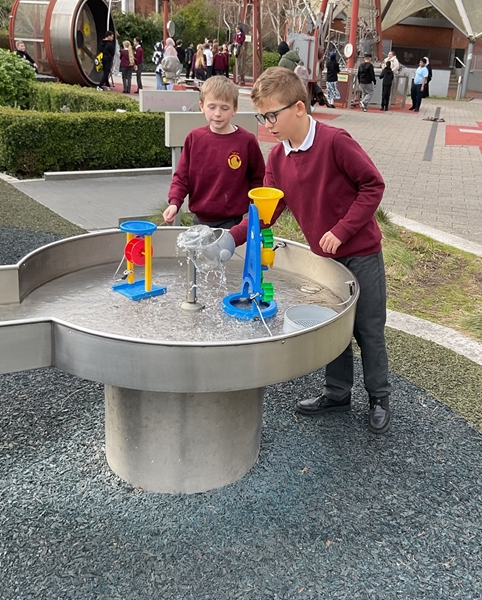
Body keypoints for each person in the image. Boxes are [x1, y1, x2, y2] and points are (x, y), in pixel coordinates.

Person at [225, 67, 391, 434]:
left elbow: (373, 185)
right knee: (334, 329)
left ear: (299, 108)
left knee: (368, 329)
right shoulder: (277, 158)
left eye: (272, 115)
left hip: (361, 253)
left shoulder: (335, 142)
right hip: (326, 261)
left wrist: (342, 230)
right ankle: (337, 393)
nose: (267, 125)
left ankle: (379, 397)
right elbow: (265, 212)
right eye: (262, 117)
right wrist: (231, 238)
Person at [163, 76, 265, 228]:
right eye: (212, 107)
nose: (217, 113)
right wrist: (174, 203)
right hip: (199, 221)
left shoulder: (246, 141)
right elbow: (182, 177)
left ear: (234, 109)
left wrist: (257, 209)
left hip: (233, 222)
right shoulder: (194, 138)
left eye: (224, 108)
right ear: (201, 106)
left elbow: (258, 178)